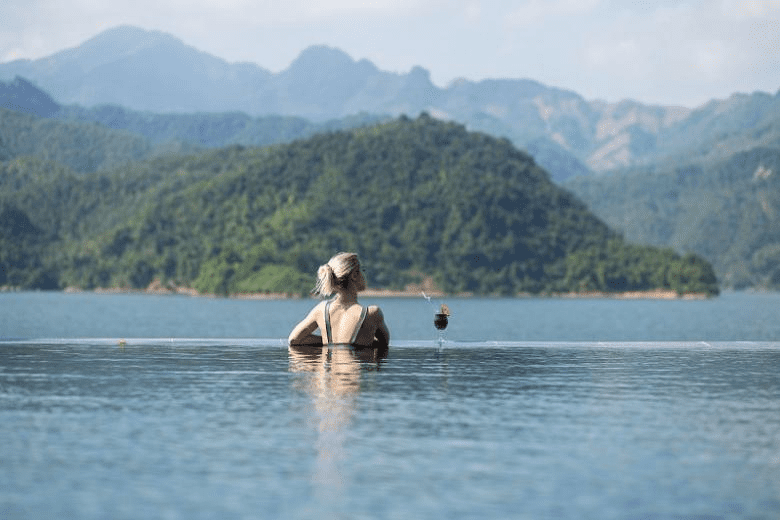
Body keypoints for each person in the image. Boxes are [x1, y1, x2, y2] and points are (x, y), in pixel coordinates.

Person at [288, 252, 390, 348]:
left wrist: (328, 341)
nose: (364, 275)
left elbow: (293, 339)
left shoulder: (321, 309)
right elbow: (384, 343)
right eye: (362, 271)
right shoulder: (372, 313)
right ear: (354, 275)